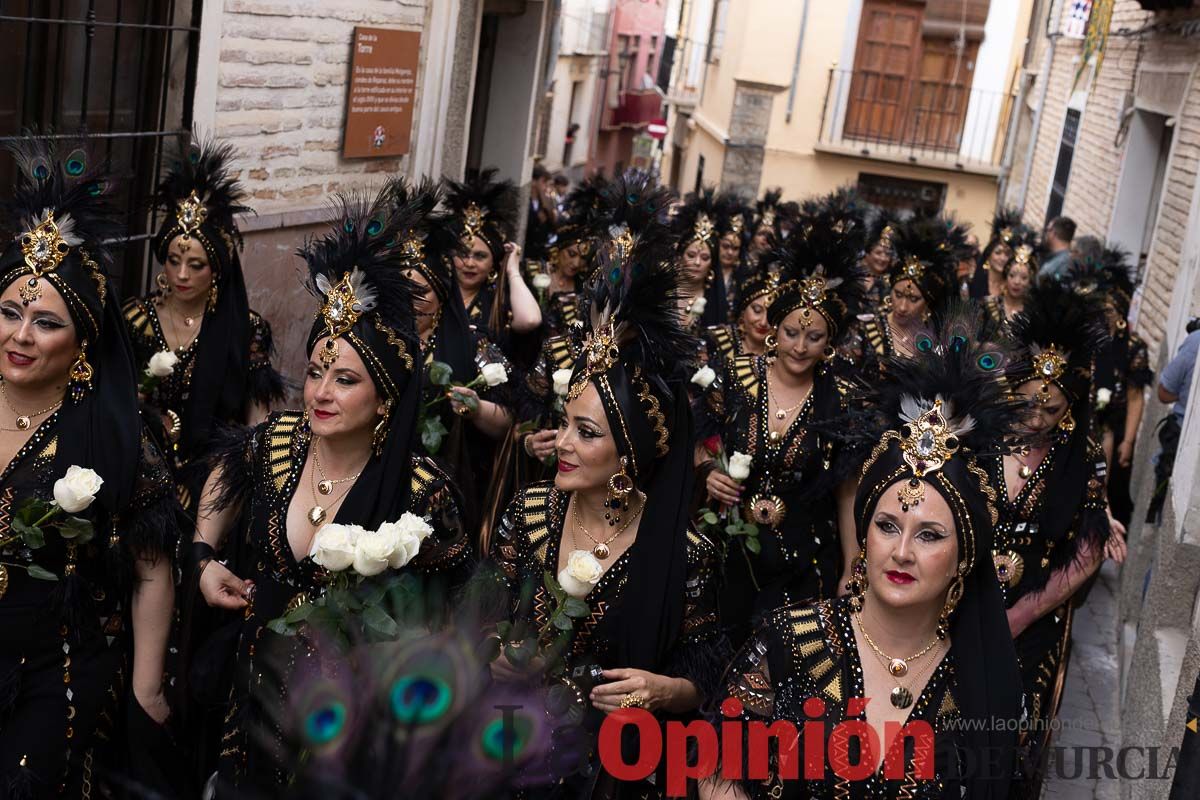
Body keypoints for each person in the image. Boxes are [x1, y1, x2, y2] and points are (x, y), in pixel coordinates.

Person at [195, 189, 472, 794]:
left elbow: (452, 618)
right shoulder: (279, 442)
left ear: (387, 395)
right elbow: (223, 468)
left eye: (345, 379)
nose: (321, 391)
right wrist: (203, 555)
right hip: (252, 701)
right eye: (318, 370)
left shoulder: (423, 493)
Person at [702, 307, 1025, 799]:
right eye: (887, 525)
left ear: (965, 556)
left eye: (930, 535)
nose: (901, 552)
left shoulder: (982, 686)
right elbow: (715, 767)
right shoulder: (790, 640)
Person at [489, 175, 725, 798]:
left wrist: (664, 689)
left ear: (630, 456)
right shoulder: (530, 512)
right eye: (564, 422)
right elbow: (479, 614)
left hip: (611, 772)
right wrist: (495, 651)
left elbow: (703, 671)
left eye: (584, 431)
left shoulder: (684, 553)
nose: (561, 442)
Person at [0, 138, 181, 794]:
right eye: (10, 312)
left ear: (80, 344)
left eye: (45, 322)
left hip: (53, 672)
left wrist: (146, 684)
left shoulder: (110, 441)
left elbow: (152, 563)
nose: (21, 335)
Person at [694, 215, 864, 649]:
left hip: (804, 558)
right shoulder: (736, 375)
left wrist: (852, 565)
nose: (800, 346)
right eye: (791, 332)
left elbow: (847, 490)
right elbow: (696, 440)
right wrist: (706, 472)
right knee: (716, 653)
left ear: (830, 343)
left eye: (814, 337)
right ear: (774, 330)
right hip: (729, 548)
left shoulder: (840, 398)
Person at [991, 281, 1126, 795]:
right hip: (962, 601)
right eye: (1028, 405)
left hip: (1035, 615)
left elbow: (1088, 550)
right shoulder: (981, 435)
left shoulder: (1079, 453)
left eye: (1051, 410)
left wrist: (1024, 612)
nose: (1037, 418)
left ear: (1068, 409)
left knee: (1006, 739)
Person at [124, 135, 284, 514]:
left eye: (196, 265)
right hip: (140, 475)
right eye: (173, 260)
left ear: (217, 271)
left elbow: (256, 426)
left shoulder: (245, 330)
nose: (181, 274)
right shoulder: (137, 319)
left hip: (215, 482)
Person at [390, 177, 515, 540]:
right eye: (402, 289)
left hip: (445, 481)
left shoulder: (473, 344)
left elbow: (507, 417)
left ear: (441, 294)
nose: (410, 299)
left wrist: (476, 408)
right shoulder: (381, 339)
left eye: (421, 291)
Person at [1076, 245, 1151, 526]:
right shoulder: (1082, 338)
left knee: (1098, 490)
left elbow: (1135, 398)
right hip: (1073, 422)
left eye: (1109, 308)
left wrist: (1128, 442)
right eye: (1099, 307)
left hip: (1108, 429)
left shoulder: (1132, 348)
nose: (1103, 313)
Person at [443, 167, 542, 362]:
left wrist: (512, 269)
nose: (469, 263)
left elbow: (530, 319)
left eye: (480, 256)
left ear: (492, 263)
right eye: (463, 254)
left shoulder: (498, 302)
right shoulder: (438, 292)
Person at [858, 215, 958, 368]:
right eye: (898, 295)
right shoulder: (866, 329)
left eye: (914, 299)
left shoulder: (937, 342)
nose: (902, 307)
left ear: (928, 302)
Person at [1149, 320, 1200, 522]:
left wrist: (1187, 398)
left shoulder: (1195, 342)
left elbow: (1164, 393)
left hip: (1178, 443)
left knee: (1155, 517)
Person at [701, 270, 779, 370]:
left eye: (771, 315)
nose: (763, 322)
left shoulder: (781, 356)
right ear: (743, 311)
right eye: (757, 310)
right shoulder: (716, 340)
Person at [674, 188, 728, 330]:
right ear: (679, 258)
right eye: (691, 255)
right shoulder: (663, 292)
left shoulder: (715, 302)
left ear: (712, 264)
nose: (697, 262)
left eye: (705, 258)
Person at [968, 206, 1022, 299]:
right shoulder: (972, 280)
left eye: (1008, 254)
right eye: (998, 252)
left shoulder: (1013, 287)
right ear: (988, 255)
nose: (1003, 258)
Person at [981, 242, 1035, 325]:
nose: (1017, 282)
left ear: (1030, 282)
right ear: (1005, 278)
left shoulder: (1032, 313)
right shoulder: (989, 306)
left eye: (1024, 278)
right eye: (1012, 275)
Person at [861, 211, 899, 311]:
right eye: (878, 253)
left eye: (888, 254)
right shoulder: (853, 276)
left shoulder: (892, 283)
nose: (883, 258)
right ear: (867, 254)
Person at [524, 163, 558, 262]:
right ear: (534, 182)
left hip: (541, 253)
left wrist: (548, 208)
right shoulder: (526, 202)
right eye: (543, 182)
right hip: (528, 253)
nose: (546, 186)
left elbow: (554, 226)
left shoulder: (545, 201)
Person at [748, 189, 782, 267]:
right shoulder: (741, 263)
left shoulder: (777, 268)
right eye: (761, 234)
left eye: (770, 235)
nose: (765, 239)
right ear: (752, 238)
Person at [1038, 216, 1075, 281]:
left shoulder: (1060, 263)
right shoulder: (1067, 259)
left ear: (1053, 233)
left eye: (1047, 230)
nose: (1046, 234)